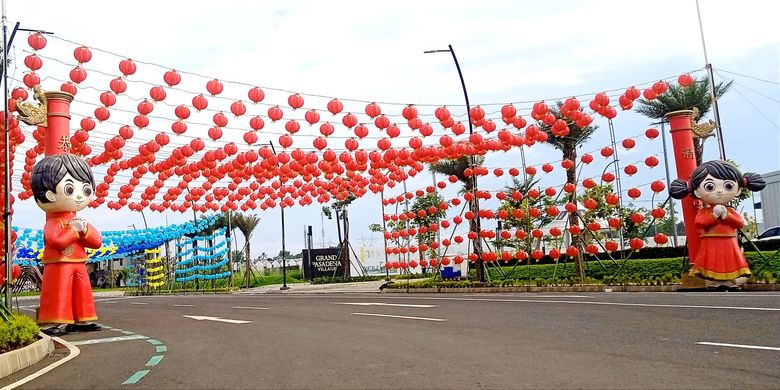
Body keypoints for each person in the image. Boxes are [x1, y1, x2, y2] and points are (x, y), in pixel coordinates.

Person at [31, 154, 103, 335]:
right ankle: (53, 321)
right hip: (58, 264)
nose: (79, 196)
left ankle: (83, 318)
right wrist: (73, 231)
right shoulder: (53, 223)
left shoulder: (78, 219)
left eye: (85, 190)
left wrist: (83, 230)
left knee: (83, 291)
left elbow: (96, 241)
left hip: (78, 262)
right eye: (70, 189)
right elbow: (56, 241)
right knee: (58, 292)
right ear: (48, 194)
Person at [669, 160, 766, 291]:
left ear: (738, 190)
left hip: (729, 241)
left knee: (729, 261)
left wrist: (726, 216)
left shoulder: (730, 210)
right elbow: (700, 223)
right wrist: (714, 216)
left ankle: (729, 283)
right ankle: (714, 283)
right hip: (711, 241)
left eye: (728, 186)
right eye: (710, 187)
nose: (720, 191)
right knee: (713, 262)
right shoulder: (705, 211)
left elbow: (739, 223)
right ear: (697, 192)